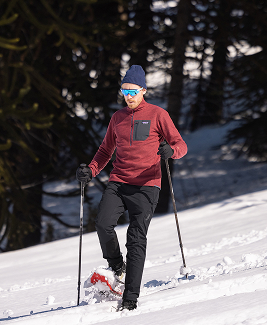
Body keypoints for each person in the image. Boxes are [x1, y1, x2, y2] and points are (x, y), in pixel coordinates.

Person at [76, 65, 188, 310]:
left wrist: (171, 152)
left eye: (133, 92)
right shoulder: (118, 118)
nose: (129, 96)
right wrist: (91, 170)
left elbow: (180, 144)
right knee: (103, 223)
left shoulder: (158, 114)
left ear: (143, 90)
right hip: (118, 181)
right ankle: (118, 266)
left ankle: (130, 297)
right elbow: (105, 150)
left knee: (136, 238)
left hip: (147, 185)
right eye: (125, 92)